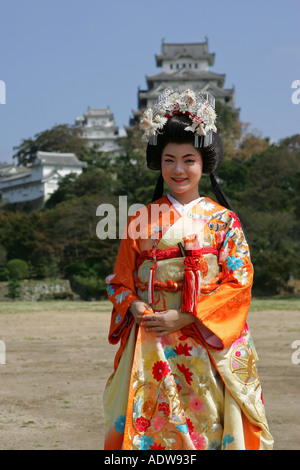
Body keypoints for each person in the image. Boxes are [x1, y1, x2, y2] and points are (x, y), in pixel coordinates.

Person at [103, 89, 273, 450]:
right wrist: (134, 306)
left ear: (204, 163)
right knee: (153, 426)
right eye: (169, 160)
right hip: (151, 341)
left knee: (207, 422)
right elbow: (119, 282)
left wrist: (186, 316)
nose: (178, 169)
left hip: (205, 341)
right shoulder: (140, 220)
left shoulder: (223, 220)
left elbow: (239, 283)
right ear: (159, 163)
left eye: (188, 159)